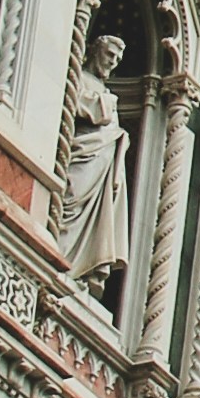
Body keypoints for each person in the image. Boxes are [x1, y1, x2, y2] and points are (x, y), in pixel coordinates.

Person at [58, 37, 134, 291]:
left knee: (95, 214)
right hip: (79, 158)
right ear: (94, 50)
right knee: (69, 200)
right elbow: (75, 103)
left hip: (100, 166)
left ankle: (84, 268)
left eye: (117, 59)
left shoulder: (106, 92)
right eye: (109, 55)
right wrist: (103, 105)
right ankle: (60, 255)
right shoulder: (76, 77)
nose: (112, 62)